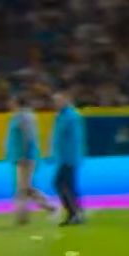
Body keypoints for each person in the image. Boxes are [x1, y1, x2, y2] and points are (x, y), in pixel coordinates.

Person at [5, 94, 56, 225]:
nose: (9, 104)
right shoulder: (18, 116)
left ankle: (23, 216)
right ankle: (48, 207)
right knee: (26, 187)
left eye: (11, 101)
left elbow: (28, 137)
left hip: (25, 157)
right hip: (20, 156)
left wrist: (24, 155)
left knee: (23, 188)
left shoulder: (24, 117)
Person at [49, 91, 87, 226]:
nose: (55, 104)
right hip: (66, 157)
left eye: (58, 101)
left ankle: (74, 213)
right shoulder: (65, 115)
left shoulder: (69, 116)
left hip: (69, 157)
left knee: (62, 184)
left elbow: (63, 137)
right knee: (67, 185)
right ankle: (75, 213)